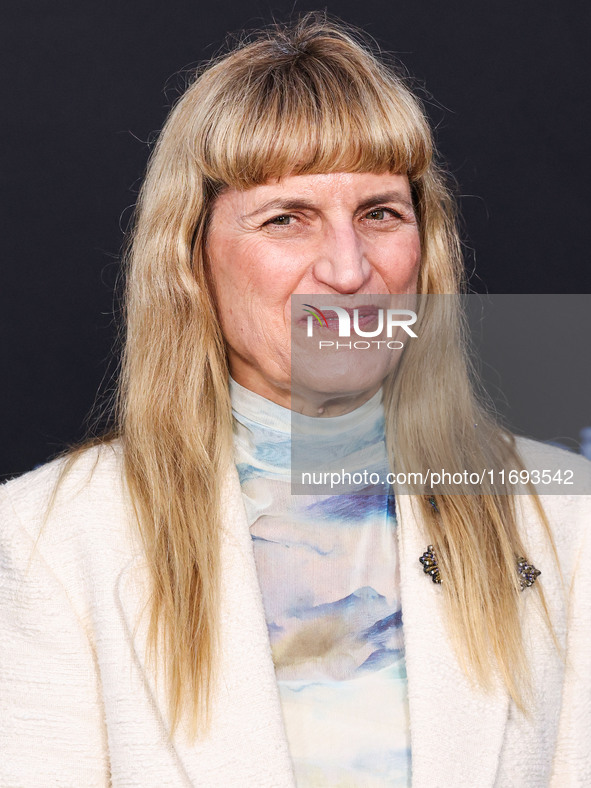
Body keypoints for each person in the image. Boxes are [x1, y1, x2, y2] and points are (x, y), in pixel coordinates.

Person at [1, 13, 589, 787]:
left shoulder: (564, 522)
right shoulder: (45, 540)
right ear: (190, 258)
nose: (348, 272)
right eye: (287, 219)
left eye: (379, 213)